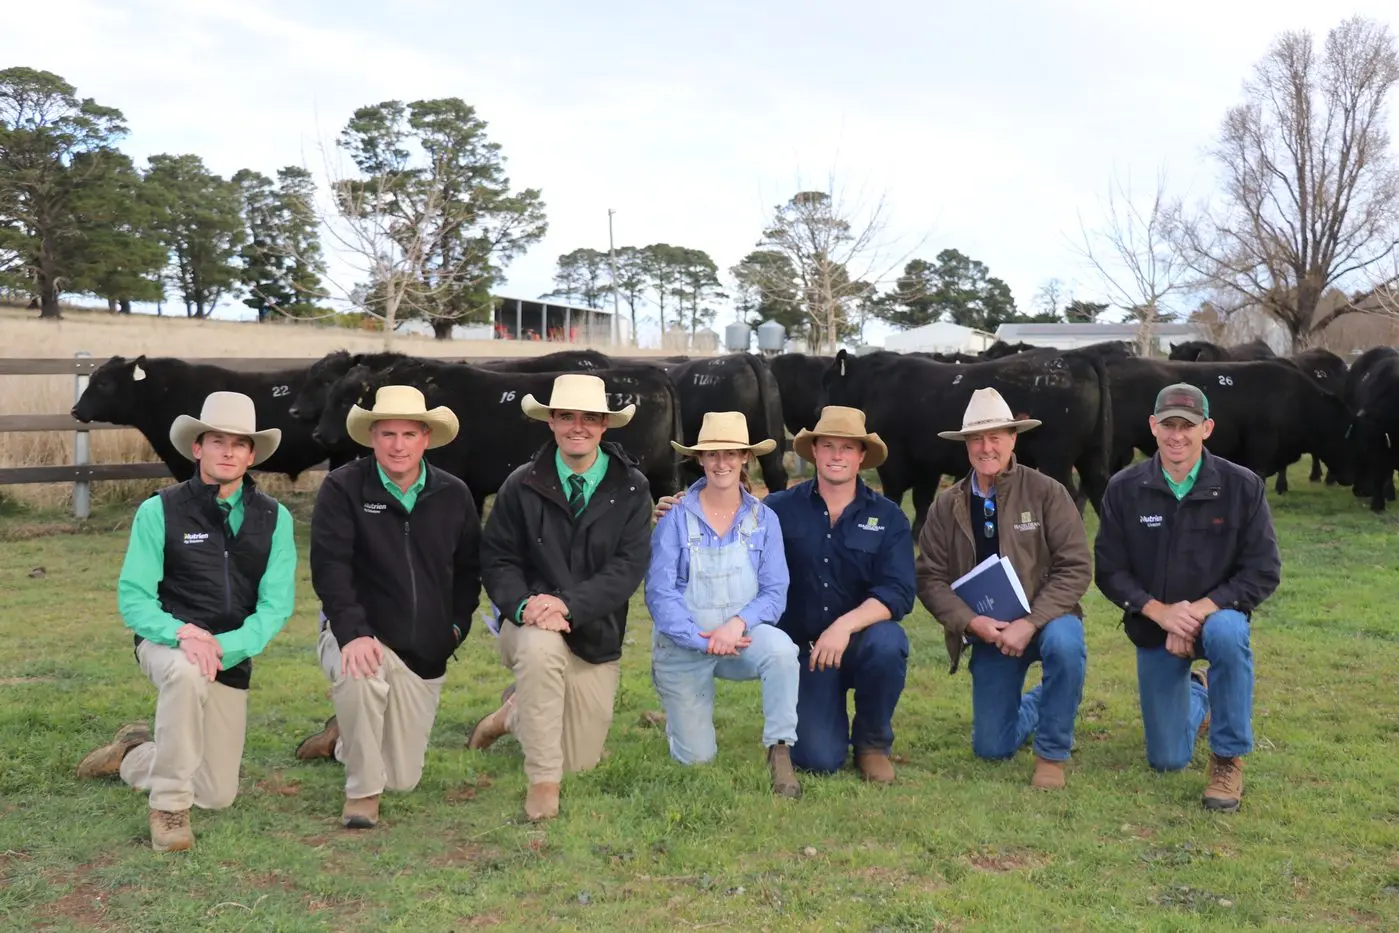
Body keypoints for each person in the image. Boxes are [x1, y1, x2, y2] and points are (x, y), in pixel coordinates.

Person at [76, 392, 296, 852]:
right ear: (198, 447)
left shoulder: (276, 518)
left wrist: (223, 647)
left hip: (228, 653)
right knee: (186, 670)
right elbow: (134, 598)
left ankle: (136, 755)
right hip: (167, 642)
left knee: (216, 794)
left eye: (239, 443)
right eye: (217, 441)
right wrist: (182, 633)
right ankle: (169, 807)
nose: (228, 451)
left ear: (251, 454)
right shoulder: (159, 510)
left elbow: (275, 608)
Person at [655, 405, 915, 782]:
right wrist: (679, 505)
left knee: (889, 642)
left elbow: (899, 590)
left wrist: (843, 627)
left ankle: (872, 745)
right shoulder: (776, 509)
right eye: (828, 446)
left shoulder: (889, 517)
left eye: (847, 448)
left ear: (862, 456)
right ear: (815, 453)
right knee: (819, 759)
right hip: (804, 651)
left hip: (859, 640)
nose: (837, 455)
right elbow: (727, 512)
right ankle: (807, 732)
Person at [295, 385, 481, 830]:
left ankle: (344, 739)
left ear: (425, 437)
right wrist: (352, 631)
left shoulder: (454, 494)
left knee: (402, 779)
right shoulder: (343, 487)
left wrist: (454, 630)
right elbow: (331, 568)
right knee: (359, 670)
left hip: (425, 649)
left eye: (408, 434)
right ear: (372, 436)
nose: (398, 445)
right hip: (361, 632)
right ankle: (361, 793)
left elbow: (469, 572)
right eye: (387, 434)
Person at [470, 373, 653, 821]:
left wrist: (569, 605)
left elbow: (626, 569)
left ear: (604, 425)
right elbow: (497, 559)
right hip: (529, 625)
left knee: (583, 761)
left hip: (595, 636)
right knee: (539, 645)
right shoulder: (521, 484)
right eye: (566, 415)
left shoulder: (631, 487)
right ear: (550, 421)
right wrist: (526, 605)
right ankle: (543, 784)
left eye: (590, 417)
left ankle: (512, 716)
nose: (578, 426)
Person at [1094, 382, 1281, 812]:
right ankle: (1200, 692)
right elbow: (1109, 570)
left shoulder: (1242, 486)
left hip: (1216, 618)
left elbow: (1263, 570)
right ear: (1152, 427)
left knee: (1230, 633)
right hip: (1154, 625)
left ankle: (1227, 759)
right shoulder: (1124, 488)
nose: (1177, 435)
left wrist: (1197, 612)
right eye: (1168, 425)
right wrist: (1160, 613)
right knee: (1167, 759)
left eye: (1188, 426)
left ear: (1207, 428)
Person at [914, 387, 1090, 789]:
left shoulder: (1047, 492)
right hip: (989, 631)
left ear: (1014, 439)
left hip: (1047, 620)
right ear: (966, 445)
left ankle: (1051, 753)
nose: (986, 447)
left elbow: (1076, 567)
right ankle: (1044, 701)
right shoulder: (947, 504)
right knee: (992, 748)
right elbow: (930, 577)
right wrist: (971, 622)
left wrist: (1031, 622)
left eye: (996, 437)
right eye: (977, 438)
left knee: (1066, 645)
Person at [645, 411, 800, 797]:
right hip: (684, 644)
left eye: (731, 454)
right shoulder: (674, 518)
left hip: (739, 639)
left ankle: (779, 748)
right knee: (697, 761)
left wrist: (736, 625)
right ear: (699, 459)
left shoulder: (764, 519)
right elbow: (660, 595)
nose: (722, 463)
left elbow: (774, 591)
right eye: (712, 455)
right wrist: (702, 639)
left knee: (782, 651)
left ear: (745, 457)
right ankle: (680, 718)